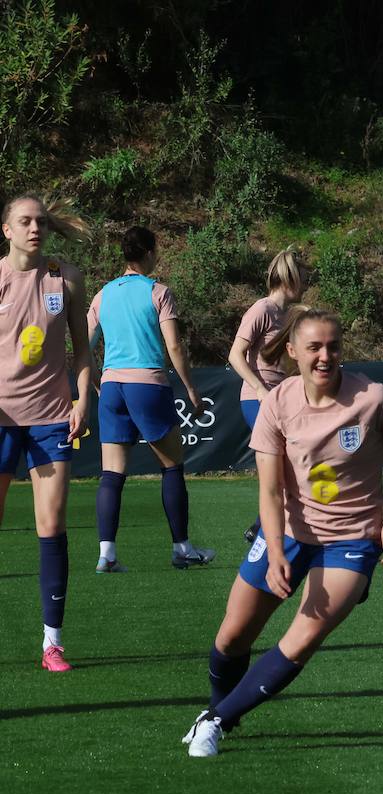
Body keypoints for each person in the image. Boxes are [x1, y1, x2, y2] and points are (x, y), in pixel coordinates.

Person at [181, 308, 383, 757]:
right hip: (289, 533)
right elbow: (270, 492)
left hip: (352, 540)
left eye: (333, 346)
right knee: (231, 639)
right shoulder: (277, 403)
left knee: (303, 638)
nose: (325, 356)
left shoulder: (371, 399)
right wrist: (275, 551)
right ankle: (218, 712)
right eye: (314, 347)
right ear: (292, 352)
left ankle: (216, 721)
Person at [0, 194, 93, 672]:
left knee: (52, 526)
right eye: (24, 221)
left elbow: (81, 349)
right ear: (7, 230)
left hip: (52, 417)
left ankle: (51, 643)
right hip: (1, 419)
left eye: (40, 221)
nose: (35, 228)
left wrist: (83, 399)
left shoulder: (67, 276)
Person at [87, 227, 216, 572]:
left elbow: (82, 349)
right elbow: (173, 346)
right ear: (147, 253)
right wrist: (190, 388)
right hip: (148, 384)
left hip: (113, 386)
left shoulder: (103, 294)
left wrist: (99, 382)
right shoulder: (158, 291)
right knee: (171, 466)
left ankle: (107, 555)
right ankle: (182, 548)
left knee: (111, 474)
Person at [229, 248, 304, 541]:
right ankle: (266, 528)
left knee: (289, 461)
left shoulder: (288, 315)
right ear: (290, 278)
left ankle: (263, 526)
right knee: (282, 461)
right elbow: (235, 355)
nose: (306, 283)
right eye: (303, 277)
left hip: (279, 398)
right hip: (257, 399)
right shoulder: (261, 309)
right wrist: (261, 390)